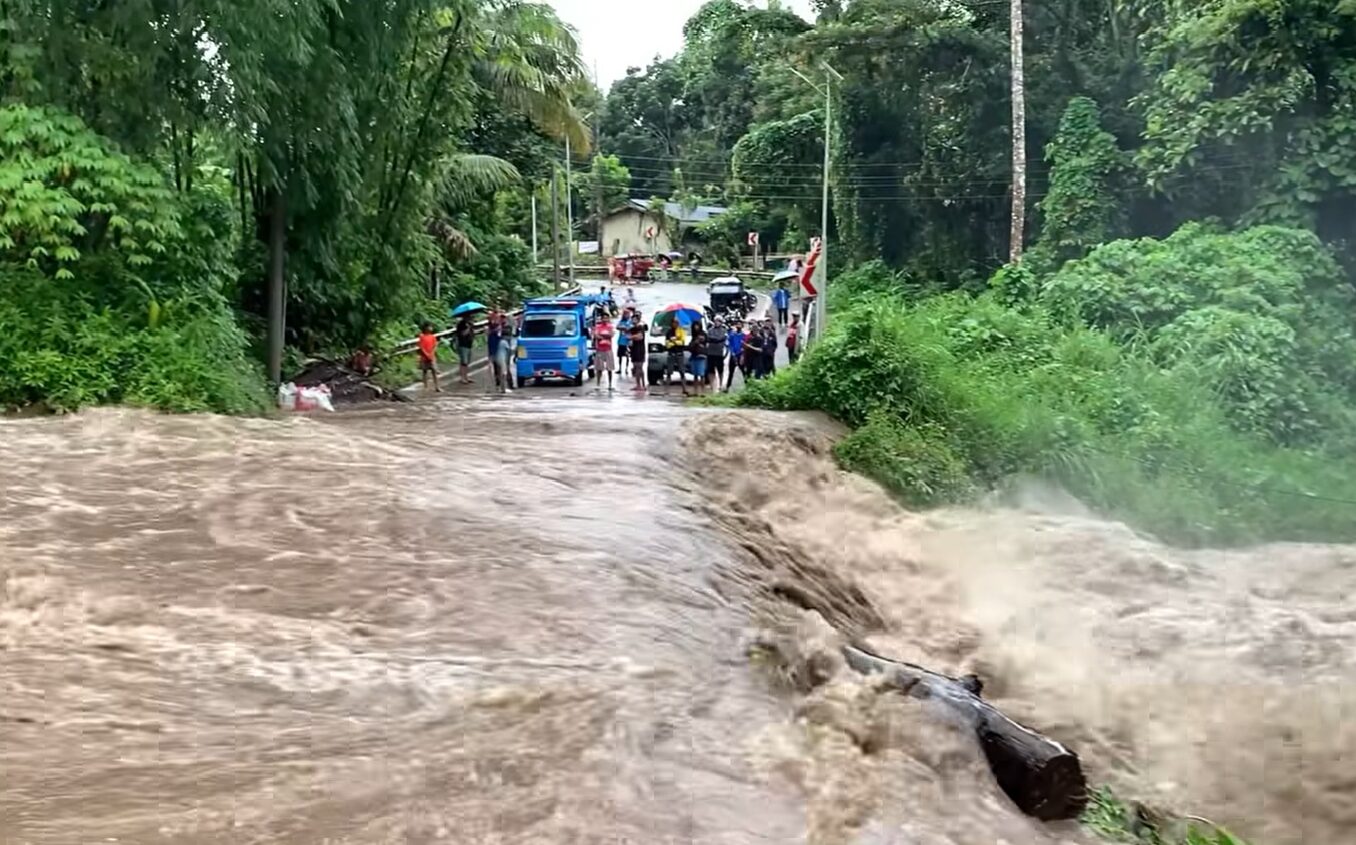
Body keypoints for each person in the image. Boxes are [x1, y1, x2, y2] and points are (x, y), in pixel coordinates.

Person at [487, 311, 510, 393]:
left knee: (501, 368)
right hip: (495, 349)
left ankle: (501, 386)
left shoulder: (503, 327)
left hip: (498, 348)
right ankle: (496, 386)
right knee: (498, 369)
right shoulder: (491, 327)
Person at [663, 319, 687, 395]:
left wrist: (674, 341)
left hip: (679, 353)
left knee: (682, 371)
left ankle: (684, 389)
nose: (675, 324)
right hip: (671, 354)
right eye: (674, 323)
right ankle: (666, 390)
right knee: (669, 372)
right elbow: (667, 344)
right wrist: (675, 342)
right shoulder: (669, 332)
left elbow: (682, 342)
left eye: (677, 323)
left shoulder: (681, 331)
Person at [594, 311, 617, 391]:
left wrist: (603, 336)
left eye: (606, 318)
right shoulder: (598, 326)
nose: (605, 319)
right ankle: (598, 384)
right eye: (603, 318)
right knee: (599, 368)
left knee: (610, 368)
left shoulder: (610, 326)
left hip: (608, 349)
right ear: (601, 318)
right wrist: (605, 336)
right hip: (600, 349)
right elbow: (596, 335)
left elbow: (611, 335)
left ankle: (610, 384)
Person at [705, 316, 728, 389]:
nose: (717, 322)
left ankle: (720, 384)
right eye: (716, 321)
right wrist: (717, 340)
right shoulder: (710, 330)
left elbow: (722, 339)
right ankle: (712, 384)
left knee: (720, 369)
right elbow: (709, 338)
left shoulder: (724, 330)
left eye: (719, 321)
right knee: (710, 370)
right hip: (710, 352)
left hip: (719, 353)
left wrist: (716, 340)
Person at [417, 323, 441, 393]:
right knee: (425, 371)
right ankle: (425, 386)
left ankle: (437, 386)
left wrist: (431, 353)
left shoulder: (433, 337)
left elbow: (435, 346)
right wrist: (426, 354)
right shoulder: (422, 337)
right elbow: (421, 347)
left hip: (432, 356)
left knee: (434, 371)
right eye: (429, 327)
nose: (431, 328)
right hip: (424, 357)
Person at [629, 311, 648, 393]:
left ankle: (643, 384)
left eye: (635, 319)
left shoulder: (641, 327)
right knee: (635, 367)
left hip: (640, 349)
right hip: (633, 349)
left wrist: (631, 337)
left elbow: (640, 337)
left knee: (640, 367)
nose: (634, 320)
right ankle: (638, 384)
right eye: (633, 319)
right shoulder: (632, 329)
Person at [454, 313, 476, 384]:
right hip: (463, 345)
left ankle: (466, 376)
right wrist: (468, 328)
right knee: (464, 362)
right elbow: (462, 334)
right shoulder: (461, 324)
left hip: (469, 344)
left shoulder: (469, 324)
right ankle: (462, 377)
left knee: (467, 362)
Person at [725, 321, 746, 391]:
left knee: (744, 372)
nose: (738, 326)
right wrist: (732, 353)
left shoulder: (743, 335)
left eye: (740, 324)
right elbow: (729, 344)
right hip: (733, 355)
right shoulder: (732, 335)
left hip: (740, 355)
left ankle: (748, 386)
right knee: (731, 372)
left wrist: (742, 354)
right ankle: (727, 387)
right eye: (737, 324)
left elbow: (744, 345)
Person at [616, 310, 634, 377]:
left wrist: (626, 328)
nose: (626, 316)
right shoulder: (621, 321)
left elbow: (632, 327)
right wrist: (622, 327)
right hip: (621, 341)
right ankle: (620, 368)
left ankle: (626, 369)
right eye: (625, 314)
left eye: (627, 314)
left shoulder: (630, 321)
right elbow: (617, 327)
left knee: (627, 356)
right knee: (620, 356)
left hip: (627, 341)